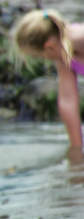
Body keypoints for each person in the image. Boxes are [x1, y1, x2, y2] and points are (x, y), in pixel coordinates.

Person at [11, 9, 84, 153]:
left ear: (49, 46)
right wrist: (76, 149)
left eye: (41, 56)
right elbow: (67, 101)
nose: (45, 59)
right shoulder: (63, 53)